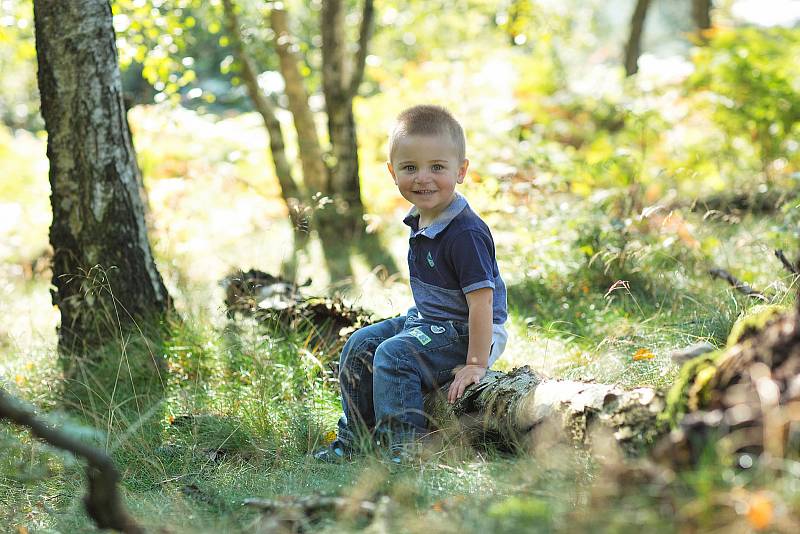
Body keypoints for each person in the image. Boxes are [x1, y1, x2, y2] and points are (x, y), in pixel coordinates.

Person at [314, 105, 508, 462]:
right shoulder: (421, 218)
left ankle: (405, 450)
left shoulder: (465, 233)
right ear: (392, 172)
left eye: (437, 167)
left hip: (466, 330)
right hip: (429, 321)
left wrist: (476, 363)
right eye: (409, 168)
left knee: (394, 354)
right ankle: (356, 439)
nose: (423, 178)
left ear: (461, 170)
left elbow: (483, 303)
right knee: (360, 344)